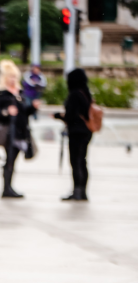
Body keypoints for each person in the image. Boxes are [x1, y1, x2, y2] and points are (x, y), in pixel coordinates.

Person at [0, 59, 38, 199]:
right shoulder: (0, 92)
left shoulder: (19, 92)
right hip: (8, 131)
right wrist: (6, 111)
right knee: (9, 159)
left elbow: (23, 112)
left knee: (13, 159)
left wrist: (32, 107)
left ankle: (9, 186)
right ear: (5, 77)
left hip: (21, 130)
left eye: (15, 76)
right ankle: (6, 188)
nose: (13, 79)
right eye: (10, 76)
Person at [54, 68, 92, 201]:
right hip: (87, 131)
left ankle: (77, 191)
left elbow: (70, 116)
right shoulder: (86, 93)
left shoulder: (74, 94)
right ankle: (82, 191)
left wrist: (58, 115)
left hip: (76, 132)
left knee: (75, 161)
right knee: (83, 161)